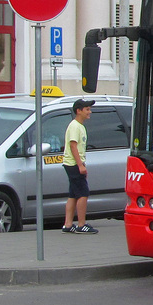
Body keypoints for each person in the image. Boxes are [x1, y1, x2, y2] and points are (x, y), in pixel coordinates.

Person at [62, 99, 98, 234]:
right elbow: (73, 146)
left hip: (74, 164)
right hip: (73, 164)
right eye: (87, 109)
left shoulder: (80, 126)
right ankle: (81, 224)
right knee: (83, 193)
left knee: (73, 194)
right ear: (79, 111)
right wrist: (80, 165)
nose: (90, 112)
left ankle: (68, 224)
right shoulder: (74, 126)